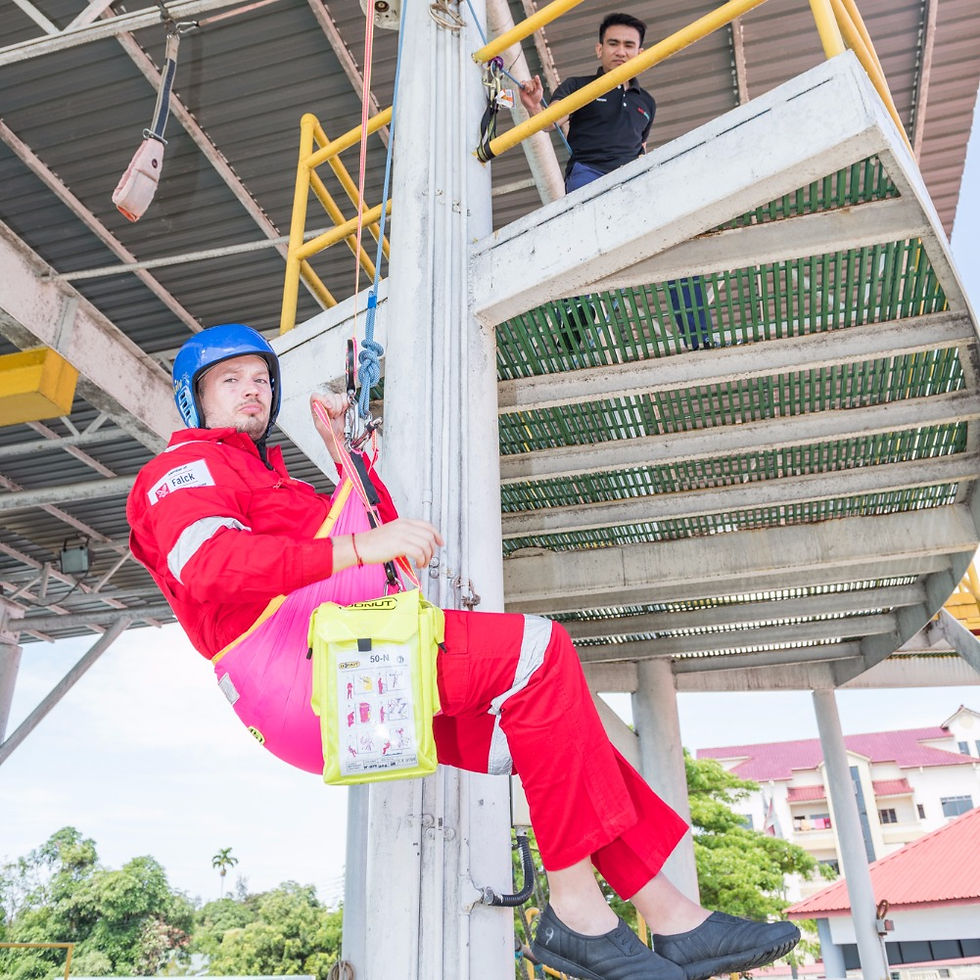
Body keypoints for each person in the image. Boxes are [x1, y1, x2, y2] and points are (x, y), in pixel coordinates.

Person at [127, 324, 799, 980]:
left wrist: (347, 457)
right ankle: (576, 914)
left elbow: (378, 544)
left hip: (340, 673)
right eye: (230, 380)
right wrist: (359, 546)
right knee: (540, 651)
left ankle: (676, 919)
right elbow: (210, 564)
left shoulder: (278, 486)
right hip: (301, 671)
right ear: (194, 397)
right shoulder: (182, 469)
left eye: (260, 378)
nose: (253, 389)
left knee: (560, 739)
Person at [519, 12, 713, 352]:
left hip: (633, 182)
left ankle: (699, 339)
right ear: (599, 49)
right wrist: (536, 108)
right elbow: (551, 122)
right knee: (583, 245)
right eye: (613, 44)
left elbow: (641, 148)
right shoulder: (578, 86)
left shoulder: (646, 102)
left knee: (677, 242)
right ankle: (573, 326)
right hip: (589, 174)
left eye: (628, 45)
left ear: (640, 52)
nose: (620, 51)